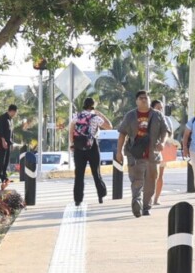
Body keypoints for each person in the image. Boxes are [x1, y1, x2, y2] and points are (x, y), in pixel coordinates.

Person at [116, 90, 169, 218]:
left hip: (152, 153)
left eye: (146, 98)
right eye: (141, 98)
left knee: (151, 181)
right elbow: (122, 133)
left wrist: (162, 142)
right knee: (136, 180)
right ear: (136, 101)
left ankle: (146, 206)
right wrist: (119, 152)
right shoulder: (130, 116)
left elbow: (165, 131)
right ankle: (137, 201)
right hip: (134, 153)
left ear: (150, 100)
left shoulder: (158, 115)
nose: (144, 100)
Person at [69, 97, 112, 206]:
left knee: (79, 174)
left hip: (79, 146)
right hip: (92, 145)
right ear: (93, 106)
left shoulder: (77, 116)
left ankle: (78, 199)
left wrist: (72, 143)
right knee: (96, 172)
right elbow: (109, 127)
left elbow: (71, 129)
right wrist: (101, 114)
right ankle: (101, 195)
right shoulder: (95, 117)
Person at [150, 99, 171, 205]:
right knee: (149, 175)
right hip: (149, 150)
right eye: (158, 107)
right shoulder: (148, 118)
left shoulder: (166, 119)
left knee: (160, 175)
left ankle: (156, 198)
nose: (160, 110)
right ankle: (148, 196)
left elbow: (170, 133)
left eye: (161, 108)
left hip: (162, 150)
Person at [0, 104, 18, 190]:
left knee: (6, 161)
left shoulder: (11, 120)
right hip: (2, 142)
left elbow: (11, 133)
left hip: (8, 143)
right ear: (12, 111)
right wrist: (3, 140)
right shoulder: (2, 118)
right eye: (15, 112)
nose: (15, 114)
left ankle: (4, 176)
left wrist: (11, 143)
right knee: (1, 160)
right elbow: (0, 130)